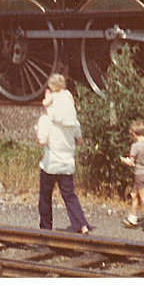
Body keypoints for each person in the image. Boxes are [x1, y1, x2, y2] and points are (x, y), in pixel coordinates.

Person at [35, 78, 90, 235]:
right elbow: (79, 141)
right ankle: (82, 225)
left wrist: (38, 131)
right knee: (70, 197)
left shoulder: (46, 120)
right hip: (67, 165)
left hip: (50, 165)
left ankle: (46, 228)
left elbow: (42, 140)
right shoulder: (74, 122)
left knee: (45, 197)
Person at [120, 120, 144, 232]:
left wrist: (124, 160)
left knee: (143, 198)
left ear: (133, 134)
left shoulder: (135, 146)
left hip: (140, 174)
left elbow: (131, 162)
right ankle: (132, 218)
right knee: (135, 195)